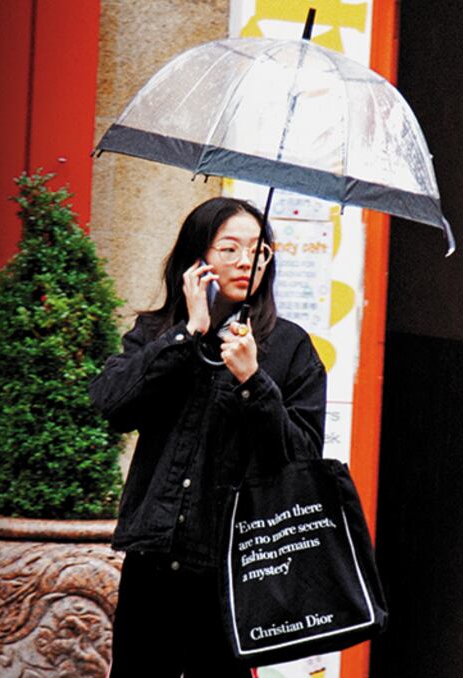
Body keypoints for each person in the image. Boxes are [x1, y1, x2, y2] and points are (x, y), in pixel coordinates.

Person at [90, 196, 327, 677]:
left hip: (230, 572)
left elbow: (302, 457)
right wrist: (188, 332)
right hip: (153, 559)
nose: (247, 262)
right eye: (230, 249)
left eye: (259, 251)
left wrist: (254, 382)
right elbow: (111, 404)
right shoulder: (158, 331)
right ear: (197, 260)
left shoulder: (288, 347)